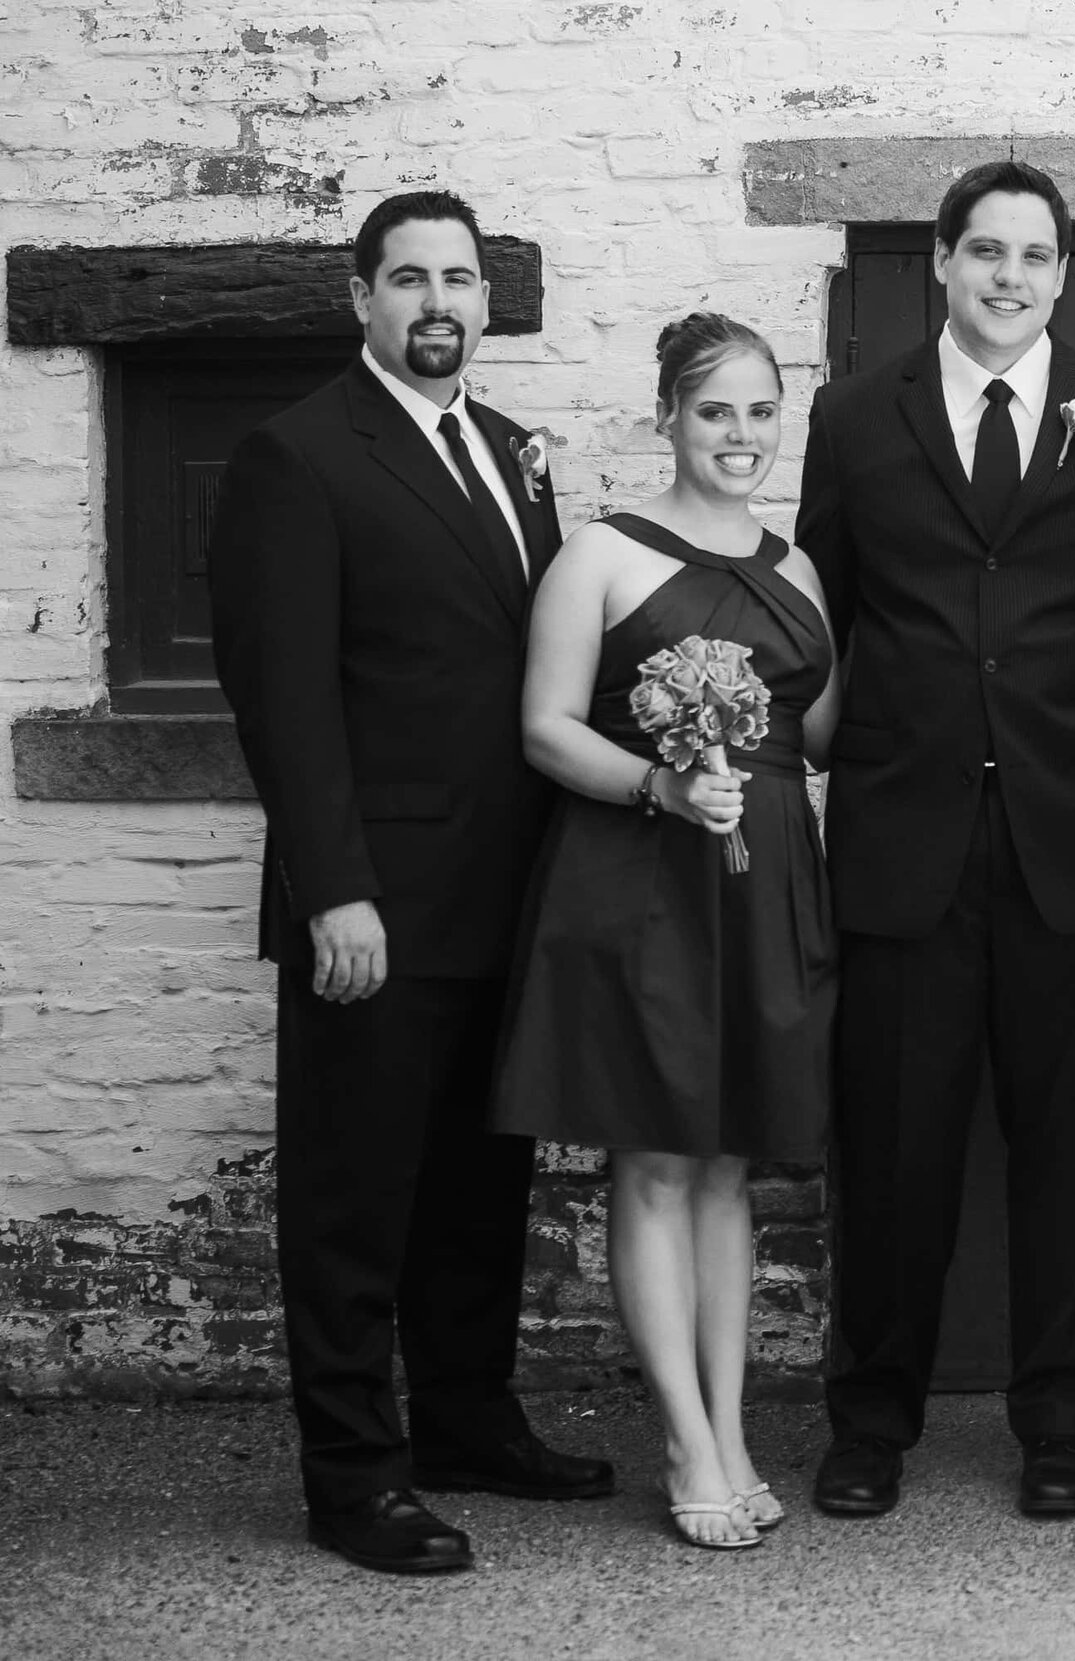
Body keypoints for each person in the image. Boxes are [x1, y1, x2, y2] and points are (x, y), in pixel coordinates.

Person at [206, 190, 613, 1576]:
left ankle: (465, 1418)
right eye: (409, 279)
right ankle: (352, 1474)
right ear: (361, 297)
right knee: (353, 1197)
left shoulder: (510, 453)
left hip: (507, 892)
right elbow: (284, 696)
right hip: (374, 898)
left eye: (460, 279)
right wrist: (334, 888)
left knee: (476, 1185)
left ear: (485, 302)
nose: (438, 301)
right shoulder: (298, 454)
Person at [794, 159, 1075, 1518]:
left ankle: (1063, 1426)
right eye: (985, 252)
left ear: (1062, 275)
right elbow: (821, 615)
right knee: (894, 1147)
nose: (1009, 276)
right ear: (941, 266)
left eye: (1034, 256)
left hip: (1071, 836)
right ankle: (870, 1424)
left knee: (1070, 1152)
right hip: (904, 838)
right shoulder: (853, 418)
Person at [491, 314, 837, 1549]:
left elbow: (824, 730)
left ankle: (733, 1429)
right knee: (653, 1158)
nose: (739, 436)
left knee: (729, 1161)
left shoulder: (798, 573)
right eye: (714, 413)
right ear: (666, 420)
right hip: (640, 875)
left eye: (759, 410)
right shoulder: (600, 554)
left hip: (766, 875)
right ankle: (686, 1443)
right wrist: (661, 781)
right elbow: (544, 727)